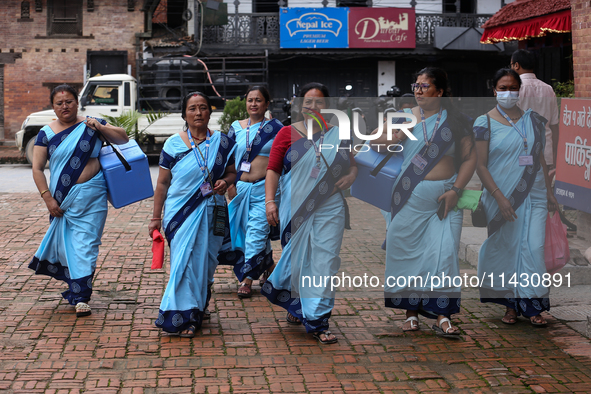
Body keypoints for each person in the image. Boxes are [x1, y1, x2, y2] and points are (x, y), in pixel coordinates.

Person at [371, 67, 476, 337]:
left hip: (446, 199)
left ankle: (443, 314)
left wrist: (456, 189)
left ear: (439, 91)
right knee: (406, 252)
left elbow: (470, 159)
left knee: (445, 254)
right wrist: (393, 138)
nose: (418, 90)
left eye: (425, 86)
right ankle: (411, 313)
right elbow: (372, 141)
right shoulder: (404, 117)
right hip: (408, 196)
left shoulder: (458, 120)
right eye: (416, 85)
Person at [263, 82, 358, 344]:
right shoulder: (285, 134)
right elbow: (272, 170)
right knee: (299, 257)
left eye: (319, 103)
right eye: (307, 103)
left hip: (330, 205)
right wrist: (270, 202)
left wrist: (350, 176)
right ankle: (297, 299)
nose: (312, 107)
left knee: (325, 261)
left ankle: (318, 320)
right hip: (295, 207)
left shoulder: (339, 133)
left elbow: (352, 165)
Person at [29, 84, 128, 317]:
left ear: (77, 103)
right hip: (62, 200)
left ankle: (82, 296)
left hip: (93, 196)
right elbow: (36, 169)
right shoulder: (46, 133)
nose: (65, 106)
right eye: (59, 103)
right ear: (53, 107)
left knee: (88, 244)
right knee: (68, 245)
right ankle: (75, 287)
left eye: (69, 101)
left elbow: (122, 138)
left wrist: (100, 126)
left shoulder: (91, 123)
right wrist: (48, 199)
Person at [474, 68, 558, 326]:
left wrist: (550, 193)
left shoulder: (533, 120)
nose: (508, 92)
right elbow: (480, 165)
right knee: (507, 248)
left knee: (533, 248)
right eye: (503, 88)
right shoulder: (484, 122)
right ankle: (510, 305)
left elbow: (540, 160)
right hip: (501, 197)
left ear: (520, 91)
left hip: (535, 194)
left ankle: (532, 305)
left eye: (513, 87)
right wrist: (499, 197)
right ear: (494, 91)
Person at [149, 91, 236, 338]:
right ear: (184, 114)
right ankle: (187, 315)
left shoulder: (223, 142)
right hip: (180, 215)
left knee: (205, 265)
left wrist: (224, 182)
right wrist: (156, 218)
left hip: (212, 211)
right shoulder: (173, 144)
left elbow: (232, 173)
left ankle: (199, 305)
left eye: (203, 108)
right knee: (183, 264)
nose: (198, 113)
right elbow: (163, 184)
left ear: (210, 111)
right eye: (192, 109)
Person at [217, 86, 284, 298]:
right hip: (240, 188)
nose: (253, 104)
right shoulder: (235, 127)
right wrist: (229, 185)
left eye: (258, 100)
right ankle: (268, 267)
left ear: (266, 104)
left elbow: (285, 158)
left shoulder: (276, 128)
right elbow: (227, 159)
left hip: (265, 188)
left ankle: (246, 278)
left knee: (256, 232)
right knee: (244, 232)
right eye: (250, 100)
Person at [510, 49, 560, 177]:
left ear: (516, 65)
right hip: (546, 152)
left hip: (522, 153)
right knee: (542, 193)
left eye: (511, 65)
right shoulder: (548, 89)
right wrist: (554, 155)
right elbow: (554, 126)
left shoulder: (515, 89)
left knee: (522, 193)